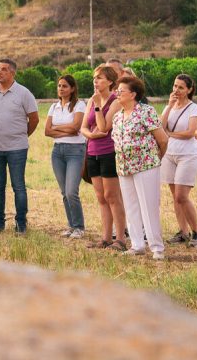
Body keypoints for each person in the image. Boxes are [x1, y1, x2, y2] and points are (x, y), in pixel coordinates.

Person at [111, 76, 170, 259]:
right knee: (131, 206)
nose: (117, 94)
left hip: (146, 165)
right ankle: (137, 245)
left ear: (133, 94)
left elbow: (163, 139)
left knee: (148, 206)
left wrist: (156, 158)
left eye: (121, 91)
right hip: (124, 166)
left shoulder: (146, 111)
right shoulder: (117, 116)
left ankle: (157, 248)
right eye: (117, 91)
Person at [0, 58, 39, 234]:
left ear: (12, 73)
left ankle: (21, 224)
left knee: (18, 186)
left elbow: (34, 119)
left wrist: (21, 135)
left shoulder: (24, 93)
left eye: (4, 69)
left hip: (17, 148)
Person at [82, 64, 128, 250]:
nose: (95, 81)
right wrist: (91, 135)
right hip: (92, 152)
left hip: (109, 152)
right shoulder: (91, 100)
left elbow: (103, 127)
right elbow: (84, 127)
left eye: (99, 78)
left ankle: (121, 239)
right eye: (94, 78)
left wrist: (98, 107)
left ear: (110, 81)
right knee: (101, 197)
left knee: (112, 196)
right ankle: (106, 238)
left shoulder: (115, 101)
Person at [159, 73, 197, 247]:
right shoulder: (169, 107)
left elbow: (191, 133)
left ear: (189, 90)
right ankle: (183, 232)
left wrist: (170, 134)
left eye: (181, 87)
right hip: (169, 154)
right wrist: (169, 106)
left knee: (181, 196)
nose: (176, 90)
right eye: (175, 86)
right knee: (175, 196)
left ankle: (196, 233)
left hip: (188, 155)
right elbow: (160, 127)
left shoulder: (194, 108)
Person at [45, 74, 86, 237]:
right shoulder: (53, 107)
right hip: (57, 152)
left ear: (72, 88)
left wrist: (57, 128)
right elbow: (47, 131)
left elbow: (76, 127)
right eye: (59, 86)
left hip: (76, 151)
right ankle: (71, 226)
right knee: (64, 192)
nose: (61, 89)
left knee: (71, 191)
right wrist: (66, 130)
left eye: (65, 86)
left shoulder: (80, 105)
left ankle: (79, 227)